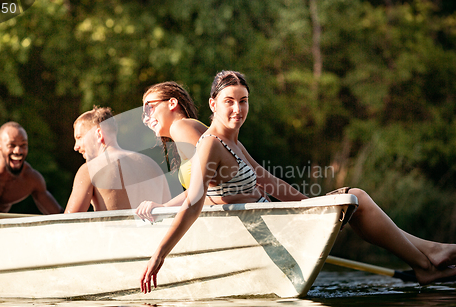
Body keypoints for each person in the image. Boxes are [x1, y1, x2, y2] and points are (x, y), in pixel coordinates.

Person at [139, 70, 456, 293]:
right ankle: (428, 260)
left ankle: (430, 256)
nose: (238, 109)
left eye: (244, 100)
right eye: (229, 101)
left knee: (351, 199)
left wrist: (311, 206)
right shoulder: (208, 141)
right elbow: (197, 199)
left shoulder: (232, 144)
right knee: (355, 196)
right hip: (268, 227)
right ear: (213, 104)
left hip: (279, 221)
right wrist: (160, 253)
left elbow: (270, 183)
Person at [65, 106, 171, 213]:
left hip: (113, 230)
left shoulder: (90, 169)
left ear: (99, 134)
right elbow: (170, 213)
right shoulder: (152, 165)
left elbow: (68, 223)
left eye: (79, 137)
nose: (76, 146)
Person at [136, 81, 216, 221]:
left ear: (172, 103)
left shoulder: (180, 127)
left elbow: (212, 185)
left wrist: (168, 209)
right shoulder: (185, 130)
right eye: (144, 116)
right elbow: (202, 186)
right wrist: (166, 207)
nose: (147, 119)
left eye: (149, 109)